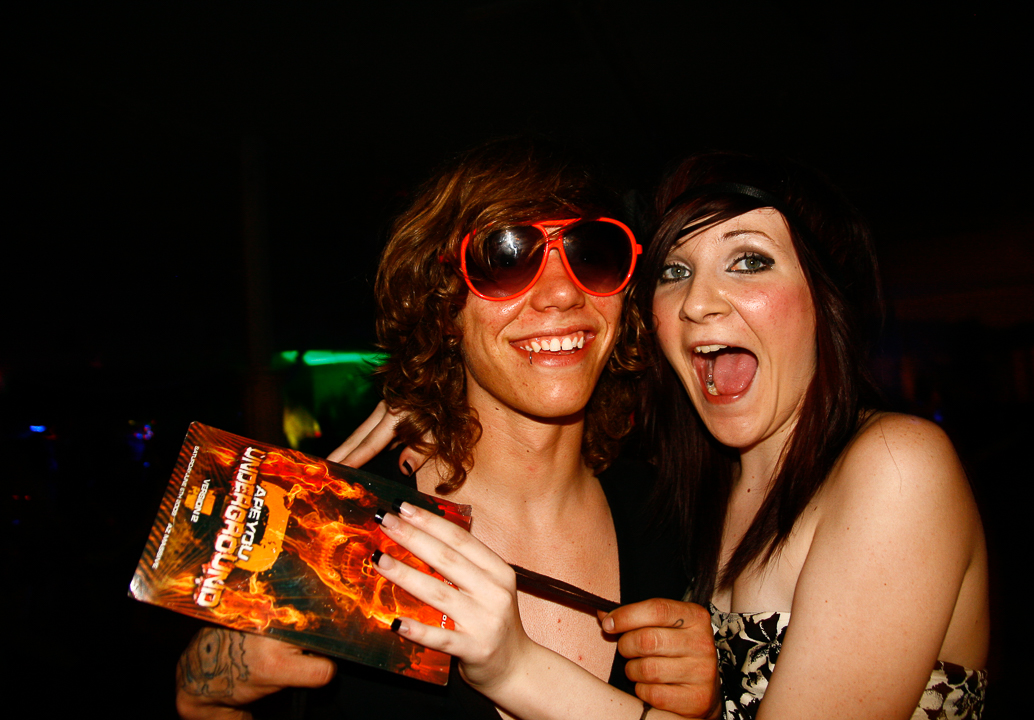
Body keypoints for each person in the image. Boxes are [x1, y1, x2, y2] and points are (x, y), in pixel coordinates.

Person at [364, 152, 989, 720]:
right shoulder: (693, 505)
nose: (698, 303)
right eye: (675, 270)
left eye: (749, 261)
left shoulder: (895, 467)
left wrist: (517, 669)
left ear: (829, 298)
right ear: (440, 305)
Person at [175, 137, 719, 720]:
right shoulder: (342, 523)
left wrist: (708, 710)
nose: (563, 293)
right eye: (505, 259)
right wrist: (202, 690)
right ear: (443, 306)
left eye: (593, 255)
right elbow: (214, 696)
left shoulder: (673, 516)